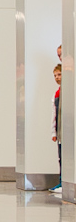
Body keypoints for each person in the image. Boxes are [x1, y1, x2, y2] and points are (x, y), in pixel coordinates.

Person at [53, 63, 62, 193]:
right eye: (55, 76)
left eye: (59, 74)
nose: (57, 78)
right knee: (60, 157)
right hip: (59, 130)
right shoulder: (57, 93)